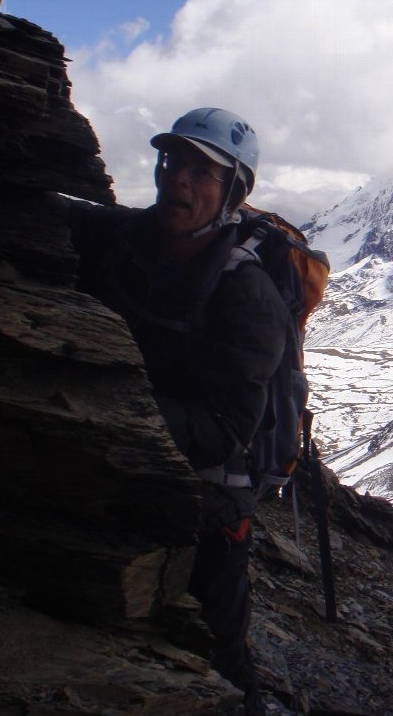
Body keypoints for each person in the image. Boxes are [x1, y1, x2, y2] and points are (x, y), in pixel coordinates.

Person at [73, 107, 288, 715]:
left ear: (234, 192)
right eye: (173, 162)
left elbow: (224, 431)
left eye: (202, 170)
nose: (179, 180)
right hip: (119, 450)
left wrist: (122, 409)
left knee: (216, 644)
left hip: (210, 496)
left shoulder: (249, 296)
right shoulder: (125, 238)